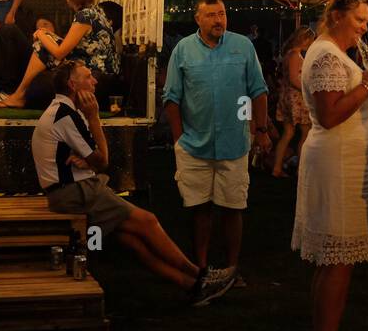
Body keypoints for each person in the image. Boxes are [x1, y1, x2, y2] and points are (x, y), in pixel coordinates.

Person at [33, 62, 237, 306]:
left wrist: (87, 159)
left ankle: (193, 287)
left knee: (132, 240)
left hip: (69, 190)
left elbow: (89, 159)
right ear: (72, 85)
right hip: (75, 193)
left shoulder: (61, 111)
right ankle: (201, 275)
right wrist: (94, 118)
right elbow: (103, 160)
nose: (95, 81)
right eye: (88, 77)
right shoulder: (67, 115)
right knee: (147, 221)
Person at [291, 0, 368, 331]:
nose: (365, 27)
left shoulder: (332, 52)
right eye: (359, 20)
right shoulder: (328, 56)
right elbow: (330, 114)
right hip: (337, 165)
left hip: (343, 162)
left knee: (333, 261)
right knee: (337, 262)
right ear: (336, 17)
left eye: (367, 20)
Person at [162, 0, 270, 281]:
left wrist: (261, 130)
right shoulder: (183, 50)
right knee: (200, 208)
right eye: (211, 15)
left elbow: (258, 90)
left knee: (234, 207)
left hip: (234, 143)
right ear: (198, 19)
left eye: (221, 14)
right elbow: (171, 97)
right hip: (194, 144)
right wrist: (178, 139)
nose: (218, 20)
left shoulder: (243, 46)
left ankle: (232, 269)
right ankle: (201, 267)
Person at [0, 0, 120, 109]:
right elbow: (74, 45)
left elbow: (60, 53)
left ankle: (18, 95)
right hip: (99, 69)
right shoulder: (96, 12)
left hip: (96, 73)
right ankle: (18, 94)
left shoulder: (84, 16)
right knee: (47, 40)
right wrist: (47, 35)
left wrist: (41, 34)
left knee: (42, 45)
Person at [271, 27, 315, 178]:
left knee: (288, 133)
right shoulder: (295, 55)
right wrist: (308, 87)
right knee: (305, 132)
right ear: (305, 39)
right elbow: (294, 78)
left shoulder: (288, 54)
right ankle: (300, 169)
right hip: (296, 98)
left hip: (287, 97)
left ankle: (277, 168)